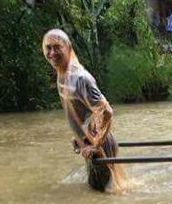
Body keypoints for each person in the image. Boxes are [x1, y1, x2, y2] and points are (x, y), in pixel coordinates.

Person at [42, 29, 126, 192]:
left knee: (106, 199)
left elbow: (106, 111)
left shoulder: (79, 78)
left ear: (68, 47)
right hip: (90, 145)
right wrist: (80, 136)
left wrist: (96, 144)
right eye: (48, 48)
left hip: (100, 148)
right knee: (101, 196)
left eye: (57, 47)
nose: (52, 52)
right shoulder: (63, 75)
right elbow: (86, 112)